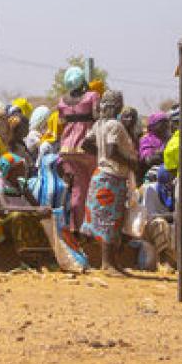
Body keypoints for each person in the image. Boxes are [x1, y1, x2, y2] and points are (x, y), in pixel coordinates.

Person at [80, 89, 139, 273]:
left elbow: (85, 143)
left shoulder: (99, 124)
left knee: (113, 220)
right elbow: (113, 150)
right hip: (111, 178)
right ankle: (107, 264)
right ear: (118, 106)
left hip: (102, 175)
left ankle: (113, 262)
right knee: (109, 221)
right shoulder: (114, 125)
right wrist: (130, 162)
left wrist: (100, 154)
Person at [55, 66, 100, 231]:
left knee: (76, 188)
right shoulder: (92, 96)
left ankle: (74, 225)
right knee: (90, 188)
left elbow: (61, 122)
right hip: (86, 148)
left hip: (67, 148)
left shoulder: (62, 101)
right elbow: (97, 116)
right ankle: (87, 228)